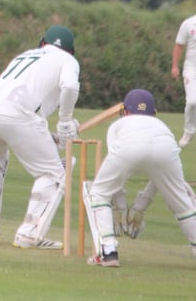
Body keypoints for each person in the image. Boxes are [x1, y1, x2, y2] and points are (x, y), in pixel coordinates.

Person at [0, 24, 80, 249]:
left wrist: (56, 135)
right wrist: (65, 121)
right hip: (19, 114)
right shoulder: (68, 61)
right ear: (70, 51)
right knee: (52, 173)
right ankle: (29, 234)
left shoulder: (26, 55)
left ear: (42, 43)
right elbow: (70, 86)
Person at [84, 89, 196, 267]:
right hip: (165, 148)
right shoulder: (162, 127)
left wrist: (121, 209)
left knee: (99, 193)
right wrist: (140, 206)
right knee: (183, 204)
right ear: (154, 113)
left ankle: (109, 252)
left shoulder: (117, 126)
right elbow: (159, 181)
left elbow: (116, 175)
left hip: (128, 147)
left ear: (125, 112)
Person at [172, 12, 196, 148]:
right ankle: (188, 132)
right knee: (192, 101)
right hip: (191, 69)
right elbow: (178, 46)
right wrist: (175, 66)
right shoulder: (188, 24)